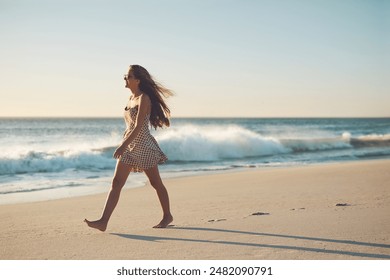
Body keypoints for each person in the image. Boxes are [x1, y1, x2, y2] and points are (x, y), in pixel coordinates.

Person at [84, 65, 173, 231]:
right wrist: (125, 145)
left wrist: (122, 146)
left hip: (143, 146)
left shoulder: (143, 98)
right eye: (125, 75)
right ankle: (103, 221)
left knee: (155, 183)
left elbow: (139, 126)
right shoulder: (131, 98)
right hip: (130, 146)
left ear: (137, 80)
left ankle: (167, 215)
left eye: (128, 76)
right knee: (116, 182)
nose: (125, 78)